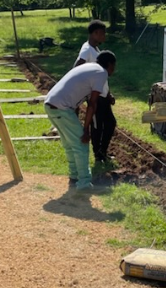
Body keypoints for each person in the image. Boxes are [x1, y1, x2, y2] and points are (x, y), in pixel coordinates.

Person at [44, 51, 117, 191]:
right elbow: (92, 104)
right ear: (110, 65)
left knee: (70, 145)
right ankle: (83, 184)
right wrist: (85, 129)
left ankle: (74, 178)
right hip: (62, 107)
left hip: (50, 104)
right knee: (81, 144)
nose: (114, 69)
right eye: (114, 66)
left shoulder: (90, 67)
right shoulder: (102, 73)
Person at [73, 20, 116, 163]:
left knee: (110, 123)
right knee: (97, 126)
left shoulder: (96, 51)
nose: (104, 36)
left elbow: (103, 76)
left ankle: (103, 152)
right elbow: (77, 66)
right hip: (95, 96)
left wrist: (108, 93)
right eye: (102, 33)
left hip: (103, 95)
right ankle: (98, 155)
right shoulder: (87, 49)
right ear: (95, 33)